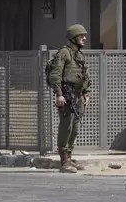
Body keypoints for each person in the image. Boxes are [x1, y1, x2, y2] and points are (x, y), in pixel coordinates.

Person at [47, 24, 91, 173]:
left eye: (84, 35)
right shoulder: (64, 53)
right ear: (73, 38)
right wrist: (59, 94)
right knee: (66, 126)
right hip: (66, 94)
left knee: (75, 127)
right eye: (81, 36)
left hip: (78, 95)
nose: (84, 38)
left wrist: (86, 92)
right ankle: (64, 160)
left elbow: (84, 75)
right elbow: (55, 75)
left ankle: (69, 157)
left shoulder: (79, 54)